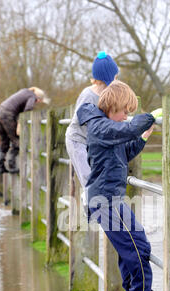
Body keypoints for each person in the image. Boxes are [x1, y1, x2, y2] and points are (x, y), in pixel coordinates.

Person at [77, 81, 163, 291]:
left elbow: (125, 150)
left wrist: (144, 135)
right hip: (106, 200)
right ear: (112, 106)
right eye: (125, 111)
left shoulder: (109, 129)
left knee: (134, 246)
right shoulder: (100, 127)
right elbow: (126, 130)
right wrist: (148, 118)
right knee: (137, 248)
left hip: (111, 199)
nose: (127, 117)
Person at [65, 51, 119, 190]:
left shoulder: (108, 94)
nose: (117, 79)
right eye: (115, 76)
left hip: (92, 142)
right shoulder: (88, 96)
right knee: (89, 180)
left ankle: (96, 204)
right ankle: (91, 208)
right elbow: (85, 120)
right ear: (107, 77)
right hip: (78, 141)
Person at [0, 87, 50, 174]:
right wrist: (21, 122)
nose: (36, 103)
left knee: (5, 140)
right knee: (17, 140)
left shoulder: (25, 91)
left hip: (0, 112)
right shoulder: (32, 96)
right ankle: (12, 165)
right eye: (38, 101)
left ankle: (1, 166)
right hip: (8, 114)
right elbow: (28, 109)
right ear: (38, 98)